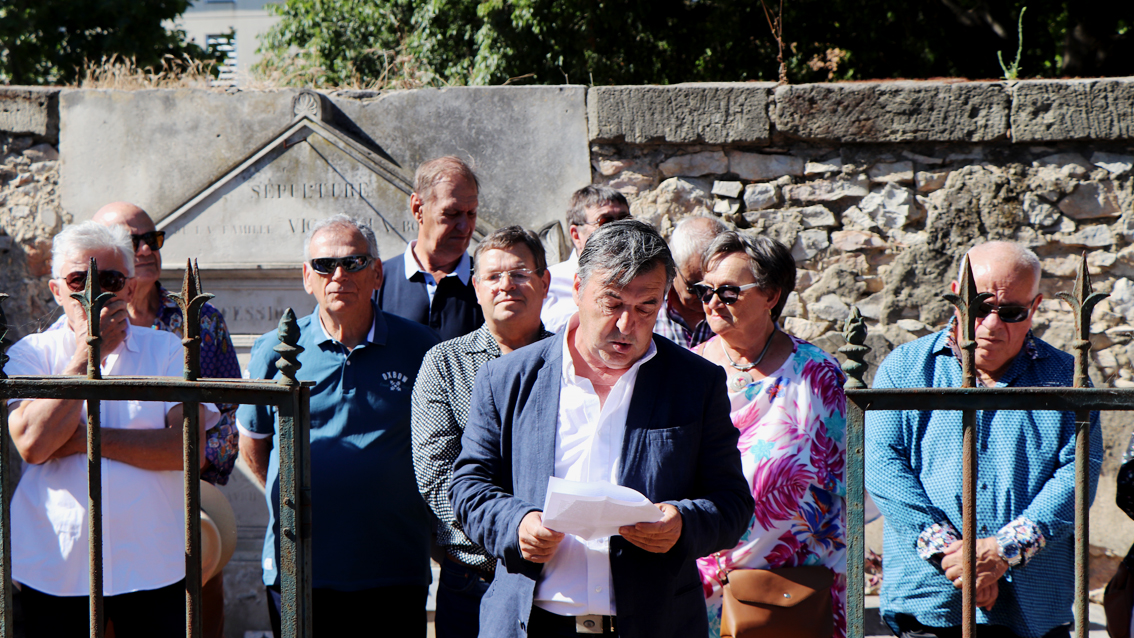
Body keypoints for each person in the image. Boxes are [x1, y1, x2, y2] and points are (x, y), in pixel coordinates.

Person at [451, 219, 754, 638]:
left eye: (646, 307)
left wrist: (682, 523)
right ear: (577, 288)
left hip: (654, 625)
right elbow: (469, 486)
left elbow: (732, 502)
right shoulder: (507, 378)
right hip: (532, 624)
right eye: (611, 303)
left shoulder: (695, 382)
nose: (627, 325)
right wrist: (517, 524)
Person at [865, 240, 1102, 638]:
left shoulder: (1067, 378)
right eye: (979, 308)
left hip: (1034, 605)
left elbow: (1077, 476)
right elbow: (883, 466)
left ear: (1035, 307)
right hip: (930, 599)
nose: (991, 325)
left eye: (1010, 312)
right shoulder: (905, 370)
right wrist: (954, 557)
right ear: (956, 297)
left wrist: (1002, 552)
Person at [7, 221, 219, 638]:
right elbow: (33, 444)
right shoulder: (32, 354)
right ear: (56, 290)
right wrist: (86, 357)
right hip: (56, 563)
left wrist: (79, 440)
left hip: (153, 563)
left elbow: (187, 451)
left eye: (110, 280)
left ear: (130, 288)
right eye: (78, 280)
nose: (95, 292)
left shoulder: (166, 350)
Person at [236, 215, 439, 638]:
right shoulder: (274, 351)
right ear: (307, 277)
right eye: (325, 265)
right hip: (299, 563)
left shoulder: (421, 347)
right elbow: (255, 446)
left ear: (377, 273)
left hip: (394, 566)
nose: (339, 275)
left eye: (354, 262)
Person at [90, 201, 241, 638]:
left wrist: (189, 461)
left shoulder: (198, 320)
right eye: (131, 240)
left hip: (186, 508)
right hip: (101, 512)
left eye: (152, 239)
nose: (146, 249)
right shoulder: (78, 325)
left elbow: (227, 410)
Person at [690, 231, 847, 638]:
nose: (712, 302)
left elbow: (852, 482)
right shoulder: (685, 372)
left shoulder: (816, 375)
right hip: (698, 587)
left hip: (791, 592)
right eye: (705, 290)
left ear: (771, 296)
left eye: (728, 292)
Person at [411, 225, 554, 638]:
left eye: (520, 273)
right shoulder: (444, 364)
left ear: (545, 282)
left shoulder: (570, 363)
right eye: (493, 276)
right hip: (474, 580)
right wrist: (510, 533)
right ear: (476, 287)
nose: (506, 285)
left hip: (557, 580)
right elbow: (436, 476)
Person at [377, 155, 483, 341]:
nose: (465, 227)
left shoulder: (491, 284)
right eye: (451, 213)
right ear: (417, 208)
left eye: (471, 213)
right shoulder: (377, 282)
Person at [540, 185, 631, 333]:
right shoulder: (547, 285)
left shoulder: (646, 281)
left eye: (625, 219)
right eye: (605, 222)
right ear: (576, 235)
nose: (619, 229)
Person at [654, 216, 727, 349]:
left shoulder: (743, 314)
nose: (708, 298)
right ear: (672, 268)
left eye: (718, 287)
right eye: (695, 287)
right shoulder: (647, 311)